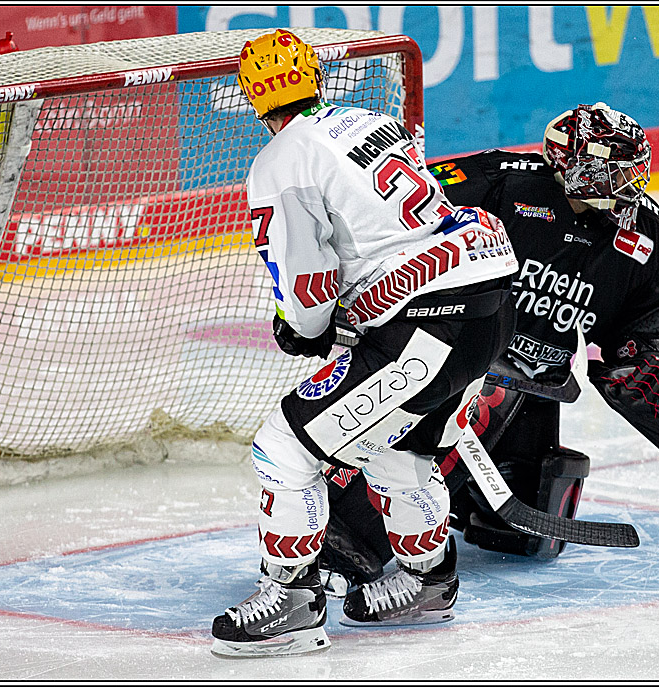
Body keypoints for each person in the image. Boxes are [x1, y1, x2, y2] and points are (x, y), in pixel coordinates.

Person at [210, 30, 518, 657]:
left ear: (251, 97)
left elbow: (306, 278)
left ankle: (293, 601)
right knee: (400, 450)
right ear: (315, 77)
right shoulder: (366, 120)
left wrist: (303, 328)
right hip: (486, 309)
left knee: (285, 447)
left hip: (427, 325)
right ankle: (427, 583)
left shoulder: (280, 161)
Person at [319, 102, 659, 589]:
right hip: (459, 350)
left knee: (524, 537)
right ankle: (346, 539)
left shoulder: (644, 230)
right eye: (610, 172)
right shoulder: (503, 181)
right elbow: (404, 216)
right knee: (428, 439)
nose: (626, 185)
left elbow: (647, 307)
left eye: (630, 172)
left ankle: (454, 503)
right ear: (568, 163)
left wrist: (648, 354)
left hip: (540, 382)